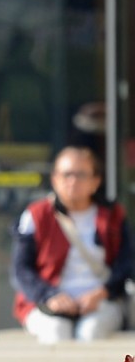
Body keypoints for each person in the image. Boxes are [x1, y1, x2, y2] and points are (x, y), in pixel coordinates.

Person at [13, 145, 131, 343]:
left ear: (96, 181)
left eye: (81, 175)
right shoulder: (36, 215)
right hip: (48, 303)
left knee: (91, 332)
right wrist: (49, 295)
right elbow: (21, 269)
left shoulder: (113, 215)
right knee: (55, 332)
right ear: (55, 179)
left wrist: (103, 293)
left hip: (101, 301)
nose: (73, 181)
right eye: (67, 174)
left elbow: (127, 264)